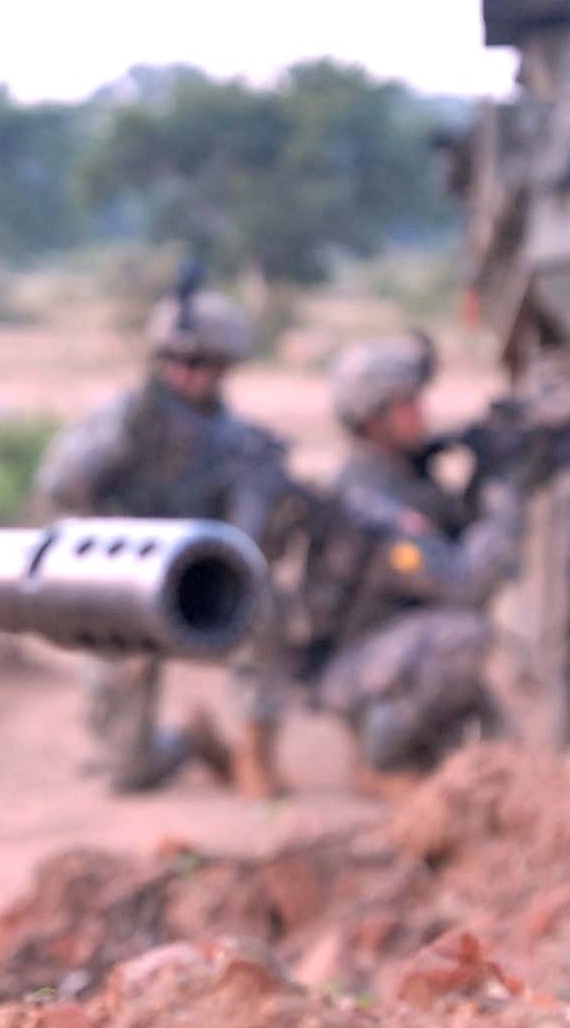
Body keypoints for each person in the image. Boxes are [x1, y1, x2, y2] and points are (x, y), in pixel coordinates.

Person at [34, 288, 298, 798]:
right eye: (174, 360)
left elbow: (250, 541)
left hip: (201, 580)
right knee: (127, 775)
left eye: (201, 363)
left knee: (266, 605)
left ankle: (255, 752)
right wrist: (119, 449)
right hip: (125, 584)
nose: (185, 373)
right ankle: (189, 743)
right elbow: (60, 489)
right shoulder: (124, 422)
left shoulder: (240, 444)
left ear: (225, 368)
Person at [303, 334, 525, 795]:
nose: (421, 413)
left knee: (502, 740)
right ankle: (380, 761)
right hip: (355, 664)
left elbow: (456, 534)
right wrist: (506, 497)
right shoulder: (367, 501)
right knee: (464, 636)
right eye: (405, 404)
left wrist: (484, 469)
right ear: (372, 420)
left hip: (394, 650)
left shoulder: (406, 478)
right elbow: (462, 581)